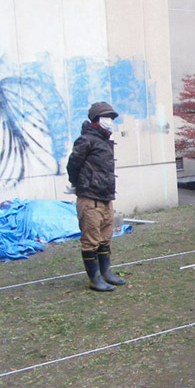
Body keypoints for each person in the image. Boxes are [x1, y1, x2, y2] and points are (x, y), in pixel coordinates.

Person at [66, 101, 126, 292]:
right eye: (107, 117)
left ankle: (106, 273)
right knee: (91, 239)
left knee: (105, 237)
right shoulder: (86, 140)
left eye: (112, 118)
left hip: (106, 197)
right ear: (96, 119)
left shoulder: (105, 140)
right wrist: (80, 184)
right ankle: (94, 279)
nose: (110, 121)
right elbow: (73, 164)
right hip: (90, 198)